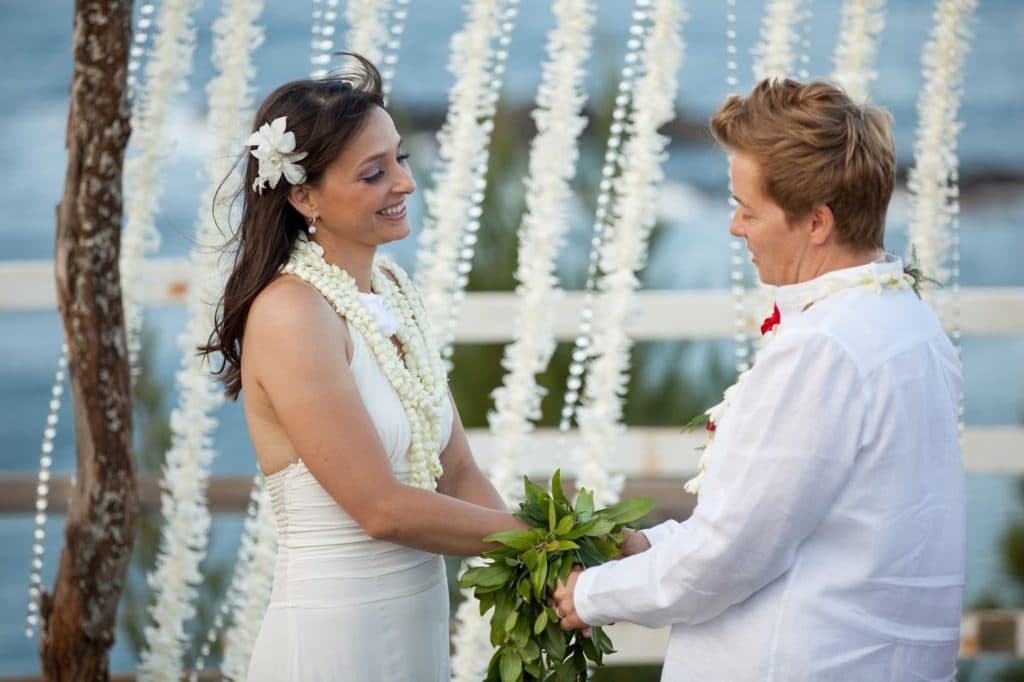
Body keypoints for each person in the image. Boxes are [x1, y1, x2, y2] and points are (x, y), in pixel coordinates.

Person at [551, 78, 965, 681]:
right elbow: (795, 520)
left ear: (817, 222)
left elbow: (732, 554)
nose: (735, 228)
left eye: (748, 210)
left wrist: (591, 594)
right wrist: (653, 546)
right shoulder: (911, 323)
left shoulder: (823, 349)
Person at [200, 55, 523, 680]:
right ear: (303, 195)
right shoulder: (291, 312)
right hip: (335, 640)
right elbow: (381, 509)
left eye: (399, 159)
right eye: (374, 173)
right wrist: (545, 543)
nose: (404, 183)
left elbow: (455, 472)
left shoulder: (394, 290)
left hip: (417, 628)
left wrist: (542, 566)